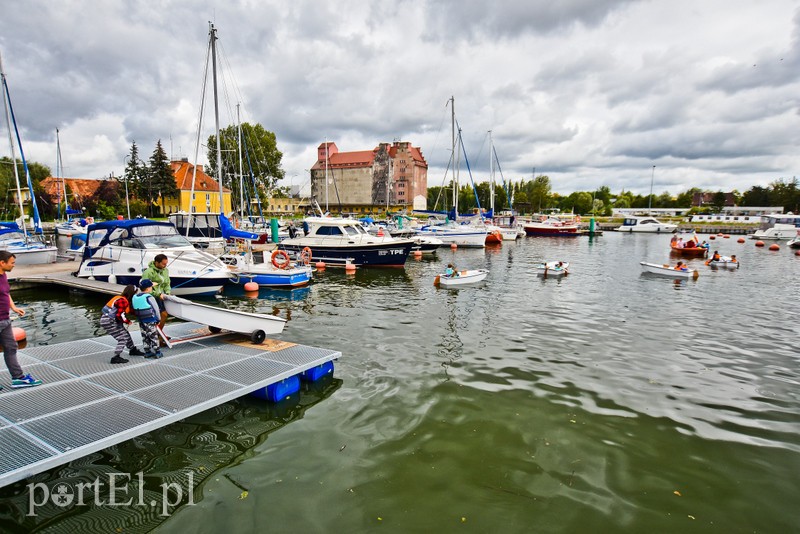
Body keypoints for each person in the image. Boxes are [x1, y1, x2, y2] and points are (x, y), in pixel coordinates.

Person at [0, 252, 42, 389]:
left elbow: (6, 293)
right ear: (2, 262)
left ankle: (18, 378)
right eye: (11, 263)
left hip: (5, 319)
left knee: (11, 347)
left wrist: (14, 307)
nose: (13, 265)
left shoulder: (3, 276)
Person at [100, 284, 145, 364]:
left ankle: (133, 350)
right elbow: (120, 315)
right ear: (132, 293)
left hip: (108, 319)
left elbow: (127, 310)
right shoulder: (123, 301)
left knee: (126, 334)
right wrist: (128, 321)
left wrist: (138, 313)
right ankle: (115, 357)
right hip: (109, 321)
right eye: (135, 293)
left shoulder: (120, 298)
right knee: (123, 338)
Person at [131, 279, 163, 359]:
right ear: (148, 288)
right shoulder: (149, 297)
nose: (152, 288)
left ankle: (147, 352)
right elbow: (156, 309)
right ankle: (157, 352)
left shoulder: (135, 297)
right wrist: (158, 319)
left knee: (144, 336)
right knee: (153, 336)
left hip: (141, 320)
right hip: (150, 320)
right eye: (151, 287)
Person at [142, 254, 171, 334]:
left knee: (164, 315)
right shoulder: (148, 272)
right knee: (163, 315)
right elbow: (145, 288)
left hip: (162, 296)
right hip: (152, 296)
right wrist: (158, 295)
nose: (165, 266)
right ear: (156, 262)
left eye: (166, 263)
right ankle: (157, 334)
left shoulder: (165, 270)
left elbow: (167, 283)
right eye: (163, 264)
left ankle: (159, 333)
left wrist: (168, 292)